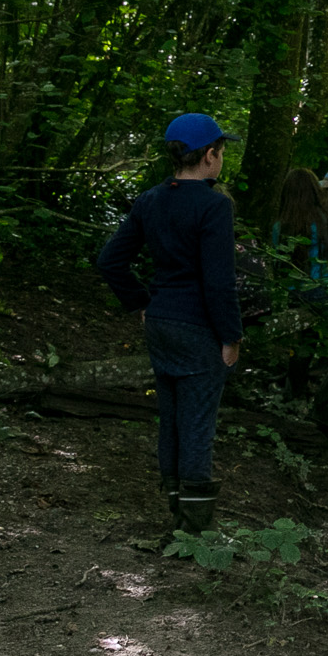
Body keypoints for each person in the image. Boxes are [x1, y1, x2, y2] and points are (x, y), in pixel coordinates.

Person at [95, 112, 242, 536]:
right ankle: (194, 528)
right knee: (197, 422)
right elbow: (218, 281)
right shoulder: (215, 205)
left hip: (160, 321)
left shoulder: (151, 200)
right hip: (198, 327)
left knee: (173, 417)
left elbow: (110, 260)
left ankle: (178, 509)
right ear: (210, 156)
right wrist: (231, 335)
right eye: (221, 152)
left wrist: (141, 301)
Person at [271, 167, 328, 428]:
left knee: (302, 343)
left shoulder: (282, 226)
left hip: (299, 292)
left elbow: (279, 265)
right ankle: (326, 396)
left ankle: (297, 393)